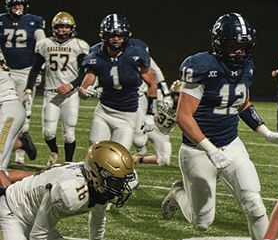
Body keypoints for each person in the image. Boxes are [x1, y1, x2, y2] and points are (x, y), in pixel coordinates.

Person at [160, 13, 278, 240]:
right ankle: (178, 192)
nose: (240, 52)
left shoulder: (246, 67)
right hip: (198, 151)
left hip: (231, 145)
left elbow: (243, 103)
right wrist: (210, 149)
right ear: (220, 44)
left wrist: (265, 132)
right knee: (202, 222)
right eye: (234, 46)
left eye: (245, 46)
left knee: (255, 203)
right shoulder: (202, 66)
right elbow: (183, 116)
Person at [0, 140, 137, 240]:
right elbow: (39, 234)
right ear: (96, 175)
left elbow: (98, 222)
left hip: (35, 219)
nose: (119, 187)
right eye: (115, 182)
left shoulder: (98, 185)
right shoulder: (69, 190)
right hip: (11, 213)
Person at [77, 14, 160, 151]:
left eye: (120, 36)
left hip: (127, 115)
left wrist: (150, 114)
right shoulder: (95, 56)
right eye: (112, 36)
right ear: (104, 36)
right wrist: (86, 92)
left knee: (118, 155)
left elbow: (152, 83)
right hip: (104, 112)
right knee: (96, 150)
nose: (116, 39)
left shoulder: (136, 54)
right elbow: (82, 89)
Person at [24, 11, 90, 167]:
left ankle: (68, 163)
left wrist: (72, 85)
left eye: (66, 27)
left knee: (69, 134)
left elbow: (85, 72)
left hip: (70, 95)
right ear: (54, 28)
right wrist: (28, 88)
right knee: (48, 133)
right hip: (51, 93)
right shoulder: (45, 44)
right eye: (60, 27)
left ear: (72, 28)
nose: (63, 30)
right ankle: (54, 152)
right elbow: (35, 69)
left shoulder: (78, 45)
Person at [0, 0, 44, 164]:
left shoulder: (34, 21)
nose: (18, 8)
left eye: (20, 5)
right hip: (6, 70)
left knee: (22, 112)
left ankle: (20, 152)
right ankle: (18, 146)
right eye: (15, 5)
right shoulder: (2, 21)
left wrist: (39, 69)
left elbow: (42, 46)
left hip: (26, 71)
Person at [0, 54, 37, 170]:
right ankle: (21, 143)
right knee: (1, 170)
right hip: (7, 110)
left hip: (8, 112)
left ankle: (40, 184)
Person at [134, 80, 181, 166]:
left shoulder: (186, 108)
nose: (178, 98)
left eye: (181, 96)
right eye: (177, 95)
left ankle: (137, 160)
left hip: (162, 134)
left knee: (164, 160)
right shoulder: (161, 96)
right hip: (148, 125)